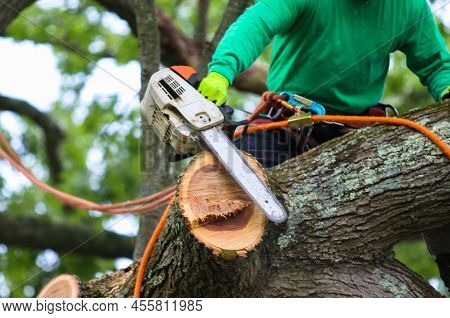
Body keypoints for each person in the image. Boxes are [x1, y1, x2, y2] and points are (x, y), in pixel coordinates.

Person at [197, 0, 450, 290]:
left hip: (357, 138)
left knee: (436, 167)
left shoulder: (407, 7)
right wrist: (222, 71)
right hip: (286, 126)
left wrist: (446, 87)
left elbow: (436, 63)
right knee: (232, 187)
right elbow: (256, 23)